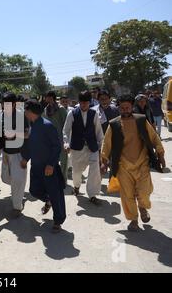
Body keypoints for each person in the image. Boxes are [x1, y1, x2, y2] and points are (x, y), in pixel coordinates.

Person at [101, 94, 165, 231]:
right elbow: (106, 144)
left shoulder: (141, 120)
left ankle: (142, 208)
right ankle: (133, 219)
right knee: (127, 195)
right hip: (123, 165)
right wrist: (104, 160)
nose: (125, 110)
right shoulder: (113, 124)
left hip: (142, 163)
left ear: (132, 107)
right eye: (122, 108)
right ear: (119, 108)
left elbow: (154, 137)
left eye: (127, 107)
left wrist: (160, 153)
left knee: (143, 193)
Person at [21, 99, 67, 233]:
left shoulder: (47, 126)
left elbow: (56, 146)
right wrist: (25, 159)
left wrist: (51, 165)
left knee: (55, 194)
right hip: (36, 166)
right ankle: (48, 201)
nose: (24, 112)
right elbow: (32, 145)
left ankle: (58, 221)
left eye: (25, 110)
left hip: (48, 168)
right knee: (34, 191)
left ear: (30, 111)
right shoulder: (32, 125)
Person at [63, 91, 104, 205]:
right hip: (77, 148)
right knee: (77, 172)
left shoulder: (94, 114)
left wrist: (101, 146)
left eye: (86, 103)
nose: (84, 105)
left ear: (89, 102)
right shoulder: (72, 113)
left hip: (92, 147)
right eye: (82, 103)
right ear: (79, 102)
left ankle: (92, 194)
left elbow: (99, 131)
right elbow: (65, 131)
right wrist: (66, 143)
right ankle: (76, 186)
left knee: (95, 170)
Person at [0, 92, 30, 218]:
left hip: (19, 153)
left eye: (6, 104)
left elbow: (27, 135)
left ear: (13, 104)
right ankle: (18, 194)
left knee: (18, 180)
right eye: (2, 104)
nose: (4, 107)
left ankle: (17, 206)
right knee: (6, 178)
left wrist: (14, 134)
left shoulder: (21, 116)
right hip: (6, 153)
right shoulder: (1, 115)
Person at [43, 91, 68, 180]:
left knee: (63, 161)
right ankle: (54, 179)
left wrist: (66, 139)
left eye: (47, 97)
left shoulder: (61, 109)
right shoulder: (46, 110)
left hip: (61, 138)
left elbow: (66, 123)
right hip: (50, 139)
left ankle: (63, 179)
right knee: (52, 160)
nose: (46, 99)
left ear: (51, 98)